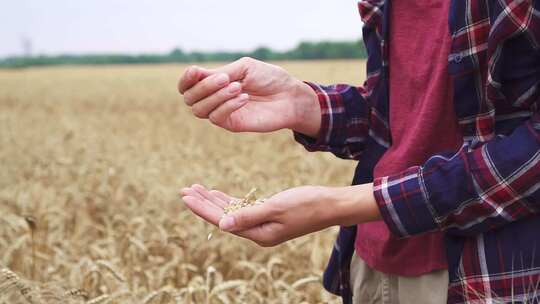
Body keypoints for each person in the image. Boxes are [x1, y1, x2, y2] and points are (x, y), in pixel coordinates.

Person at [178, 0, 540, 303]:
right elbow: (401, 119)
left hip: (487, 276)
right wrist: (307, 105)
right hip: (370, 264)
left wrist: (338, 206)